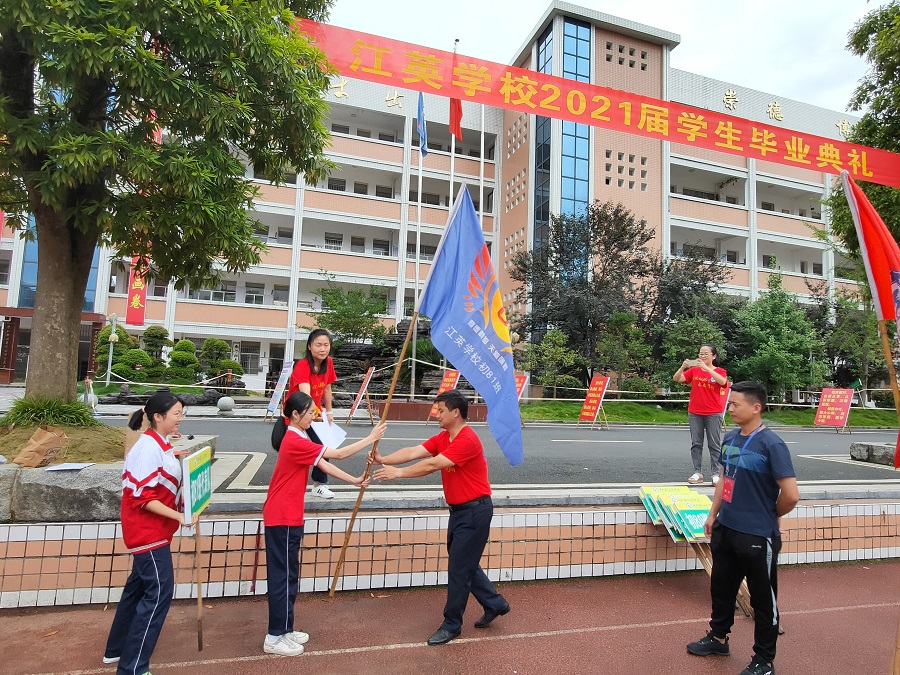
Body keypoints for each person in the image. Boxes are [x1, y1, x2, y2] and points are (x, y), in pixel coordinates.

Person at [372, 389, 510, 646]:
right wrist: (384, 459)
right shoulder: (444, 437)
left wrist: (398, 474)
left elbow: (432, 464)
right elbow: (414, 452)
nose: (436, 414)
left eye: (441, 410)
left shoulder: (467, 440)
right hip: (459, 511)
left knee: (459, 569)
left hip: (476, 511)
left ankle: (452, 624)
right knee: (464, 564)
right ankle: (495, 603)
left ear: (456, 412)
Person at [686, 380, 800, 675]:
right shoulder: (730, 438)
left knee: (763, 600)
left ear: (756, 407)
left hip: (757, 535)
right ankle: (718, 638)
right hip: (726, 528)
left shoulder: (772, 445)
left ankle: (764, 660)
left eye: (736, 404)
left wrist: (768, 514)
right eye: (730, 404)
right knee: (721, 588)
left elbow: (791, 495)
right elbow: (725, 478)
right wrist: (713, 515)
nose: (730, 409)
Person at [263, 391, 385, 656]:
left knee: (289, 575)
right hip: (281, 516)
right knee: (283, 576)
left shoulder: (299, 436)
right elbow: (337, 455)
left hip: (288, 515)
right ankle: (274, 636)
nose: (314, 417)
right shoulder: (294, 440)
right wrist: (370, 438)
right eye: (310, 413)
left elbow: (325, 465)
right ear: (296, 415)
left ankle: (285, 628)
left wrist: (353, 481)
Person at [103, 392, 195, 673]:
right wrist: (180, 516)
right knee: (158, 593)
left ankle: (116, 649)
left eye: (181, 413)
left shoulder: (159, 443)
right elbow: (143, 497)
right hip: (148, 534)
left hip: (154, 532)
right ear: (157, 416)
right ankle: (133, 667)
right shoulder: (147, 449)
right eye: (176, 413)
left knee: (138, 590)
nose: (180, 418)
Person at [289, 329, 338, 499]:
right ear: (309, 346)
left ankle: (319, 485)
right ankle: (290, 486)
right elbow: (306, 394)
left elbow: (327, 389)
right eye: (318, 345)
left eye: (326, 345)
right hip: (296, 414)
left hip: (313, 413)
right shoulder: (302, 365)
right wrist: (314, 414)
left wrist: (329, 412)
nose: (322, 349)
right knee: (294, 451)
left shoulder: (328, 362)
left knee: (323, 445)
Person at [673, 344, 729, 485]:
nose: (702, 356)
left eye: (706, 354)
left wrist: (707, 368)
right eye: (700, 354)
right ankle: (697, 472)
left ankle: (716, 474)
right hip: (695, 412)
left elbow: (723, 382)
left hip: (713, 412)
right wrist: (682, 367)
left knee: (714, 444)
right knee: (696, 443)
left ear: (713, 356)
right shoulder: (694, 370)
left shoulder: (720, 371)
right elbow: (677, 379)